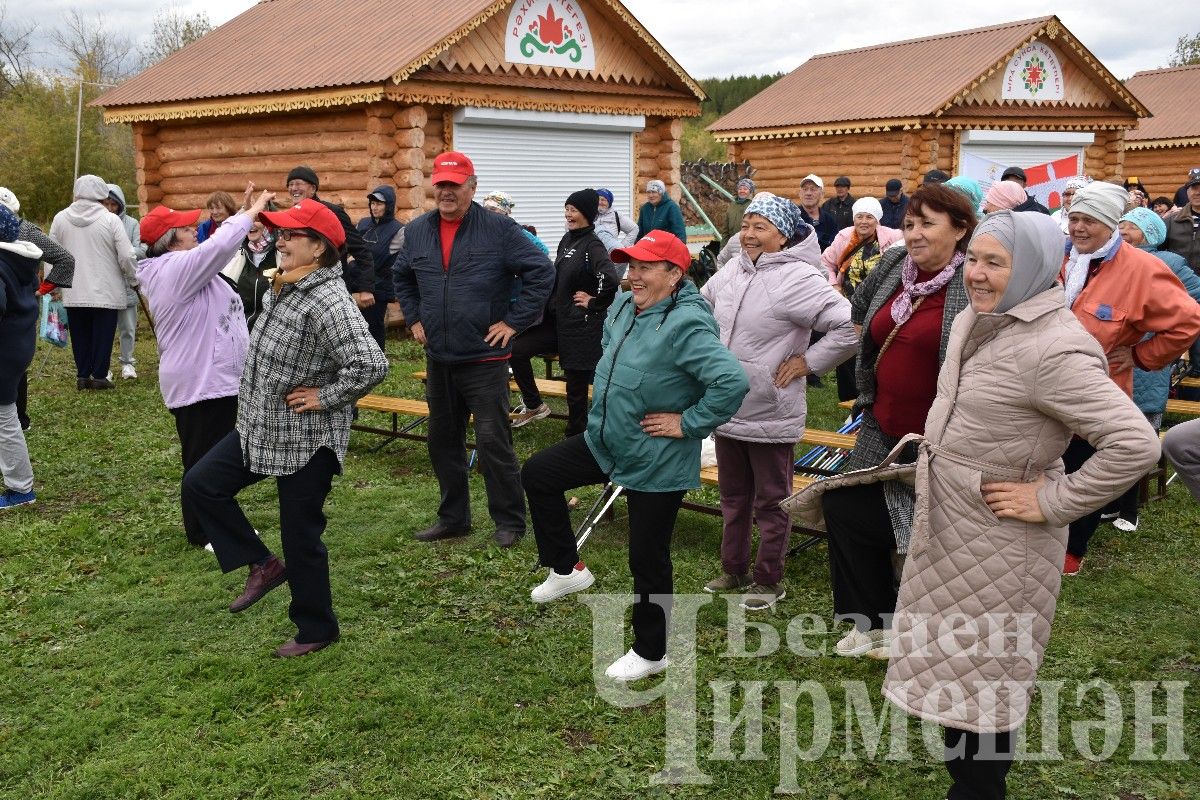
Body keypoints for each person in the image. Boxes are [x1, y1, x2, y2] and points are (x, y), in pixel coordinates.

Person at [880, 210, 1160, 800]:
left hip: (1003, 543)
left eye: (995, 263)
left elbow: (1134, 443)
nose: (977, 275)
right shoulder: (976, 320)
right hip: (950, 527)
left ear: (1033, 267)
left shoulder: (1055, 348)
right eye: (974, 259)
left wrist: (1053, 500)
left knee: (988, 686)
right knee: (956, 677)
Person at [522, 230, 748, 680]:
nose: (634, 275)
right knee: (539, 473)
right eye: (631, 266)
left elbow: (732, 383)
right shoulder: (625, 306)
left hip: (655, 456)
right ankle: (567, 568)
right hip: (607, 439)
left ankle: (651, 651)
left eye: (646, 267)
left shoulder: (687, 324)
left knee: (647, 557)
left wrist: (687, 422)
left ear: (675, 274)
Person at [182, 199, 388, 658]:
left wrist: (325, 396)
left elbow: (371, 363)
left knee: (301, 536)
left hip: (306, 440)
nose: (281, 239)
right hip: (260, 428)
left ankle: (316, 628)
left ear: (319, 247)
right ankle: (261, 563)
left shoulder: (328, 300)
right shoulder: (287, 285)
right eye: (279, 232)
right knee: (201, 485)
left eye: (292, 234)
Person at [819, 183, 977, 658]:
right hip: (881, 418)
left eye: (928, 223)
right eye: (909, 223)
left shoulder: (973, 282)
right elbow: (860, 305)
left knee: (928, 528)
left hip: (941, 433)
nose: (914, 233)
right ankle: (870, 621)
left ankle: (925, 625)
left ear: (961, 229)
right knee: (844, 509)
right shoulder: (893, 265)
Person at [701, 195, 856, 609]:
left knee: (772, 501)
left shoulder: (798, 279)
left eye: (760, 227)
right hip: (727, 406)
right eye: (746, 224)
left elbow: (849, 326)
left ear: (783, 234)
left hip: (769, 409)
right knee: (733, 497)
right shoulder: (733, 268)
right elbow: (702, 309)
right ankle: (733, 569)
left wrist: (809, 362)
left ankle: (769, 580)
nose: (749, 234)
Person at [393, 151, 554, 548]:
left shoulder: (499, 230)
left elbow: (542, 270)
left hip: (483, 357)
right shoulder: (417, 231)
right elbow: (401, 275)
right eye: (442, 184)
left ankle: (510, 521)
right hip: (440, 356)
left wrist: (515, 322)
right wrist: (413, 318)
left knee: (492, 440)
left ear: (472, 186)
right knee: (442, 440)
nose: (447, 192)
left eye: (456, 184)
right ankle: (453, 518)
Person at [1060, 180, 1200, 574]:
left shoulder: (1142, 269)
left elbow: (1187, 321)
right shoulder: (1062, 258)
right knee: (1046, 465)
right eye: (1074, 218)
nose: (1079, 228)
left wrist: (1140, 354)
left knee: (1083, 468)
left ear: (1111, 224)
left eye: (1090, 220)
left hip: (1097, 387)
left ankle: (1074, 549)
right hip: (1047, 386)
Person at [138, 187, 276, 548]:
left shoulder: (182, 266)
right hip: (201, 382)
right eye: (185, 229)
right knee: (202, 460)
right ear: (170, 240)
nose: (193, 230)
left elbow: (215, 247)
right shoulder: (175, 269)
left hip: (213, 379)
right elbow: (218, 248)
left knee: (211, 458)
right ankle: (204, 532)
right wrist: (252, 212)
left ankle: (211, 525)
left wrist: (242, 213)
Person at [1114, 207, 1200, 531]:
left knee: (1138, 437)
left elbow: (1195, 305)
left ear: (1149, 233)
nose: (1122, 229)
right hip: (1113, 363)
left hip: (1146, 365)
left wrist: (1154, 337)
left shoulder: (1170, 263)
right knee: (1110, 434)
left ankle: (1129, 509)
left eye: (1131, 226)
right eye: (1120, 224)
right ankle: (1110, 503)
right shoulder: (1109, 261)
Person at [509, 189, 618, 435]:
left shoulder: (593, 245)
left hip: (581, 327)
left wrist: (594, 302)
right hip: (556, 324)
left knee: (576, 389)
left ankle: (576, 435)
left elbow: (609, 278)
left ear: (587, 214)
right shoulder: (568, 240)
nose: (568, 215)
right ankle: (535, 405)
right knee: (516, 350)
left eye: (574, 210)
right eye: (567, 209)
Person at [49, 175, 138, 390]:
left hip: (74, 288)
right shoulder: (111, 219)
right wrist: (133, 277)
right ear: (101, 194)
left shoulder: (60, 218)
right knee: (103, 334)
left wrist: (53, 285)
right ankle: (99, 375)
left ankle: (82, 375)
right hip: (106, 289)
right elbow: (126, 255)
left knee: (80, 334)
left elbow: (52, 254)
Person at [0, 187, 75, 433]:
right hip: (18, 305)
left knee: (13, 366)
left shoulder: (25, 231)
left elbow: (65, 259)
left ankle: (19, 419)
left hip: (19, 306)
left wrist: (44, 288)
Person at [820, 197, 905, 402]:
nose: (863, 221)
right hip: (849, 304)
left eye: (869, 217)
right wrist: (834, 285)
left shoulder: (894, 238)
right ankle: (849, 400)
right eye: (859, 216)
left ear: (878, 220)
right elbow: (825, 262)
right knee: (847, 351)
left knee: (876, 352)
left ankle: (874, 397)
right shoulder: (844, 237)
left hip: (880, 305)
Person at [285, 165, 379, 311]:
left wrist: (366, 288)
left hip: (333, 288)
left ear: (313, 189)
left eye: (298, 183)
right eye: (290, 185)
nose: (293, 188)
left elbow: (361, 250)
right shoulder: (290, 215)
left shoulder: (331, 212)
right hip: (300, 287)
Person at [0, 204, 42, 509]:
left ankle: (20, 489)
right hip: (16, 347)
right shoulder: (18, 259)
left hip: (4, 352)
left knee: (4, 419)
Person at [102, 184, 145, 380]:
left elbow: (141, 248)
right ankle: (105, 367)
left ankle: (128, 363)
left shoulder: (132, 224)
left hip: (127, 284)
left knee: (128, 327)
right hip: (104, 286)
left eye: (113, 204)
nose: (110, 208)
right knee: (106, 330)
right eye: (106, 204)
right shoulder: (97, 224)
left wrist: (123, 253)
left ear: (120, 205)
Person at [355, 186, 402, 350]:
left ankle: (378, 365)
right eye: (372, 203)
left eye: (379, 204)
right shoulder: (363, 223)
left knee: (372, 330)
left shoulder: (398, 230)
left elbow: (380, 260)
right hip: (356, 285)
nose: (374, 207)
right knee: (355, 330)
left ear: (388, 205)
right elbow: (350, 248)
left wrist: (355, 260)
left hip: (378, 289)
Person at [220, 214, 278, 331]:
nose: (251, 224)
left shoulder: (280, 255)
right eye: (249, 220)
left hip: (269, 335)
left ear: (268, 225)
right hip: (239, 333)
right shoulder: (237, 253)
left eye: (256, 220)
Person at [481, 190, 549, 256]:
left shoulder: (515, 230)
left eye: (493, 209)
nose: (488, 212)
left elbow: (543, 250)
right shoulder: (482, 228)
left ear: (505, 211)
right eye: (485, 208)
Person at [1165, 167, 1200, 271]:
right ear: (1187, 192)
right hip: (1177, 282)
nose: (1198, 192)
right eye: (1194, 188)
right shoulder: (1171, 221)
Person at [798, 174, 838, 250]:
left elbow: (834, 249)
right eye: (805, 189)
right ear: (800, 194)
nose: (808, 193)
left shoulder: (830, 221)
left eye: (813, 189)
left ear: (822, 194)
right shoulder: (792, 217)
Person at [594, 188, 638, 252]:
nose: (600, 202)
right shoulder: (590, 214)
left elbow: (634, 229)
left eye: (603, 200)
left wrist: (622, 247)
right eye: (597, 199)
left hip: (609, 256)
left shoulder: (616, 215)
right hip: (592, 255)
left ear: (609, 202)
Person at [721, 178, 754, 243]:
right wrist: (723, 247)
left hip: (746, 243)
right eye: (740, 189)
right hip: (731, 243)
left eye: (745, 189)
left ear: (750, 191)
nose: (742, 191)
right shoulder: (732, 205)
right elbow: (725, 229)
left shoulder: (753, 206)